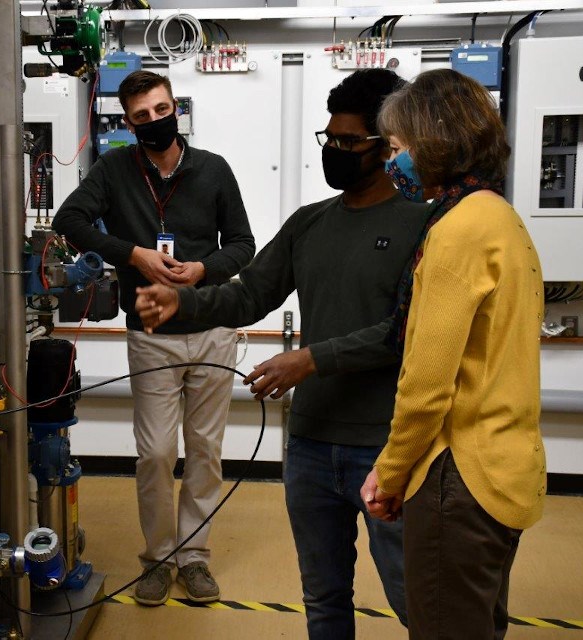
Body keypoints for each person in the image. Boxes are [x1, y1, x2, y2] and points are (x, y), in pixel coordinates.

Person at [135, 69, 429, 638]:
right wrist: (183, 303)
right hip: (313, 447)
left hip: (390, 446)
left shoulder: (426, 224)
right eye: (329, 140)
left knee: (413, 597)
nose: (335, 152)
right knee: (322, 600)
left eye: (349, 143)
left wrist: (310, 359)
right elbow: (250, 293)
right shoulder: (311, 223)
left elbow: (406, 331)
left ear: (386, 144)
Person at [52, 70, 255, 606]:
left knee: (206, 452)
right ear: (127, 121)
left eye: (162, 111)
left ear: (175, 110)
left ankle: (194, 558)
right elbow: (69, 218)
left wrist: (203, 270)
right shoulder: (114, 169)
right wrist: (133, 253)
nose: (154, 122)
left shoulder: (213, 170)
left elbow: (243, 244)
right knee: (157, 454)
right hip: (152, 333)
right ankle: (159, 559)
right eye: (141, 116)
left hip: (211, 328)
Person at [360, 68, 546, 640]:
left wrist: (389, 474)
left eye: (396, 149)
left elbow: (428, 382)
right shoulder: (502, 218)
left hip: (458, 477)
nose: (392, 164)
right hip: (505, 467)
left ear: (432, 143)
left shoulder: (459, 229)